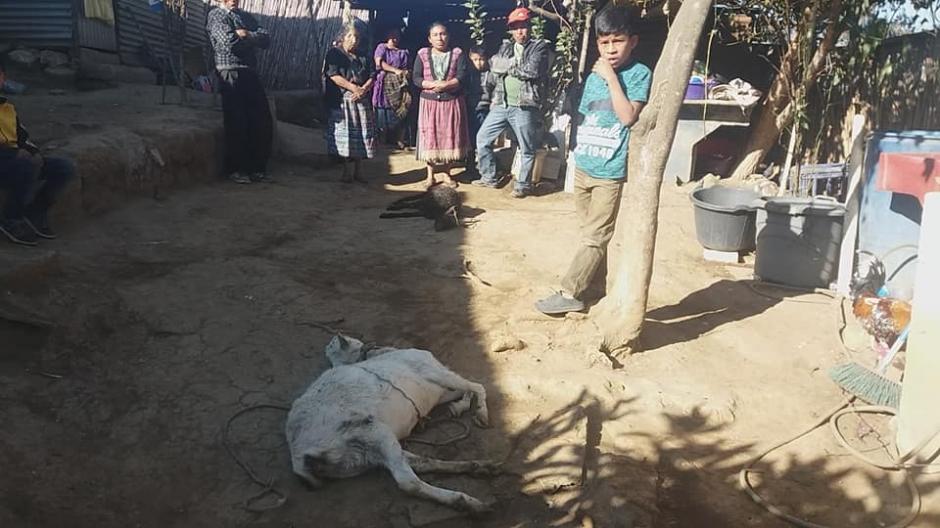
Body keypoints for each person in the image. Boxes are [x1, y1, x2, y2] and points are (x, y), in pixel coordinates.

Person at [535, 5, 652, 315]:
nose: (611, 49)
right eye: (604, 43)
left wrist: (611, 77)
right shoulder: (592, 77)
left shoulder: (639, 74)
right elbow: (585, 118)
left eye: (618, 41)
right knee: (591, 236)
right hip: (585, 166)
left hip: (609, 172)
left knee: (596, 235)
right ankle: (595, 288)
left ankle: (570, 291)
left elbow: (627, 117)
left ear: (633, 41)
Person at [473, 7, 550, 198]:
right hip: (501, 103)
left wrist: (507, 66)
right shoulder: (506, 46)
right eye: (516, 28)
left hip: (524, 106)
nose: (520, 31)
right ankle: (489, 177)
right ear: (511, 30)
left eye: (523, 27)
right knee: (482, 139)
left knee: (527, 148)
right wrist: (510, 65)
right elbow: (494, 65)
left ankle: (522, 186)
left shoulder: (539, 47)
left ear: (529, 27)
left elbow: (532, 71)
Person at [0, 63, 75, 246]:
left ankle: (36, 211)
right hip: (7, 162)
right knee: (24, 166)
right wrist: (14, 153)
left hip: (13, 162)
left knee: (63, 168)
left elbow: (23, 136)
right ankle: (12, 218)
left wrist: (34, 152)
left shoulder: (7, 109)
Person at [207, 0, 273, 185]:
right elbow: (229, 43)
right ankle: (236, 169)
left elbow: (266, 38)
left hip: (248, 71)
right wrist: (250, 39)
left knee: (260, 119)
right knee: (237, 120)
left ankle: (256, 168)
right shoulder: (217, 16)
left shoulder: (244, 16)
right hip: (229, 70)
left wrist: (247, 35)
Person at [412, 22, 471, 189]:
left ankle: (446, 173)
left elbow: (462, 75)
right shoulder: (422, 54)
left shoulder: (457, 53)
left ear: (448, 36)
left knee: (450, 137)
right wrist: (430, 84)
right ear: (429, 39)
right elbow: (416, 77)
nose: (440, 38)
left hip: (451, 102)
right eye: (436, 35)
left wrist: (446, 85)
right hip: (429, 103)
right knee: (429, 137)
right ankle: (430, 175)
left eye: (443, 34)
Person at [323, 24, 376, 183]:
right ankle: (346, 170)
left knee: (361, 133)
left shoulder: (364, 55)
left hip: (361, 99)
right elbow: (333, 75)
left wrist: (364, 89)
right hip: (343, 100)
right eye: (350, 37)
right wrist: (353, 88)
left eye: (357, 37)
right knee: (345, 135)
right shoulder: (334, 54)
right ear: (342, 38)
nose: (354, 40)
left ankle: (359, 170)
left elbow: (372, 75)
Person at [372, 28, 412, 149]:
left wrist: (404, 73)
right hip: (384, 84)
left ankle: (399, 140)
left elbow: (405, 67)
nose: (394, 38)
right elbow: (379, 63)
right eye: (392, 35)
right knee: (383, 110)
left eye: (397, 35)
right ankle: (382, 139)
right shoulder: (382, 48)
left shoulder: (403, 52)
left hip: (398, 83)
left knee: (401, 108)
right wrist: (395, 70)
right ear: (387, 35)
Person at [465, 46, 493, 179]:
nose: (478, 63)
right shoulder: (468, 74)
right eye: (475, 59)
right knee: (470, 138)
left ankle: (484, 167)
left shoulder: (491, 73)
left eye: (481, 59)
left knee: (484, 140)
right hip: (471, 108)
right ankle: (470, 166)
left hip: (486, 109)